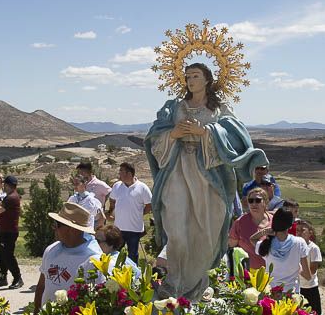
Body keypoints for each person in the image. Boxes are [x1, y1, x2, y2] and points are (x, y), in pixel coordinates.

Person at [143, 62, 267, 300]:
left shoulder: (220, 109)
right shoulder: (174, 108)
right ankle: (174, 283)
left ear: (207, 80)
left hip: (209, 179)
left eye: (196, 75)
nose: (190, 80)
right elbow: (154, 138)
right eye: (187, 76)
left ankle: (198, 285)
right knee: (176, 230)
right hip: (177, 172)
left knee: (205, 234)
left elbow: (237, 139)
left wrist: (206, 133)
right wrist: (173, 134)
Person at [33, 203, 103, 315]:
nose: (53, 227)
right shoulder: (51, 250)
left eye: (57, 224)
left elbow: (97, 300)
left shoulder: (92, 260)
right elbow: (42, 286)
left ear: (73, 229)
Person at [254, 207, 310, 295]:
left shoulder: (266, 244)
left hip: (271, 292)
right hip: (292, 293)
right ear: (291, 225)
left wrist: (264, 232)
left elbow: (252, 239)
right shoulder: (300, 243)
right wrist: (298, 269)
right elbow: (307, 275)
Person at [106, 162, 152, 264]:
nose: (119, 174)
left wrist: (140, 213)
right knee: (115, 253)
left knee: (133, 254)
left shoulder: (142, 188)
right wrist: (111, 211)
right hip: (118, 228)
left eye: (121, 171)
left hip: (134, 229)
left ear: (129, 173)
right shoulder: (117, 186)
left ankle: (132, 274)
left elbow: (149, 205)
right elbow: (112, 200)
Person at [228, 187, 272, 270]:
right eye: (251, 201)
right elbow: (231, 244)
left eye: (258, 200)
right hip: (247, 272)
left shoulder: (274, 221)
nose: (253, 203)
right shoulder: (240, 222)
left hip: (271, 271)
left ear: (265, 202)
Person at [0, 175, 23, 290]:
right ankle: (2, 277)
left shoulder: (11, 198)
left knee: (8, 256)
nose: (3, 186)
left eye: (4, 184)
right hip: (5, 230)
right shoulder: (10, 196)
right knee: (2, 256)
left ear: (8, 185)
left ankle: (17, 278)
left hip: (9, 232)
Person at [296, 221, 323, 315]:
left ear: (310, 232)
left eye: (302, 230)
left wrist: (297, 267)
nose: (299, 233)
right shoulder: (295, 247)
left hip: (310, 287)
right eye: (297, 230)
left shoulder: (313, 248)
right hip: (298, 286)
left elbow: (312, 272)